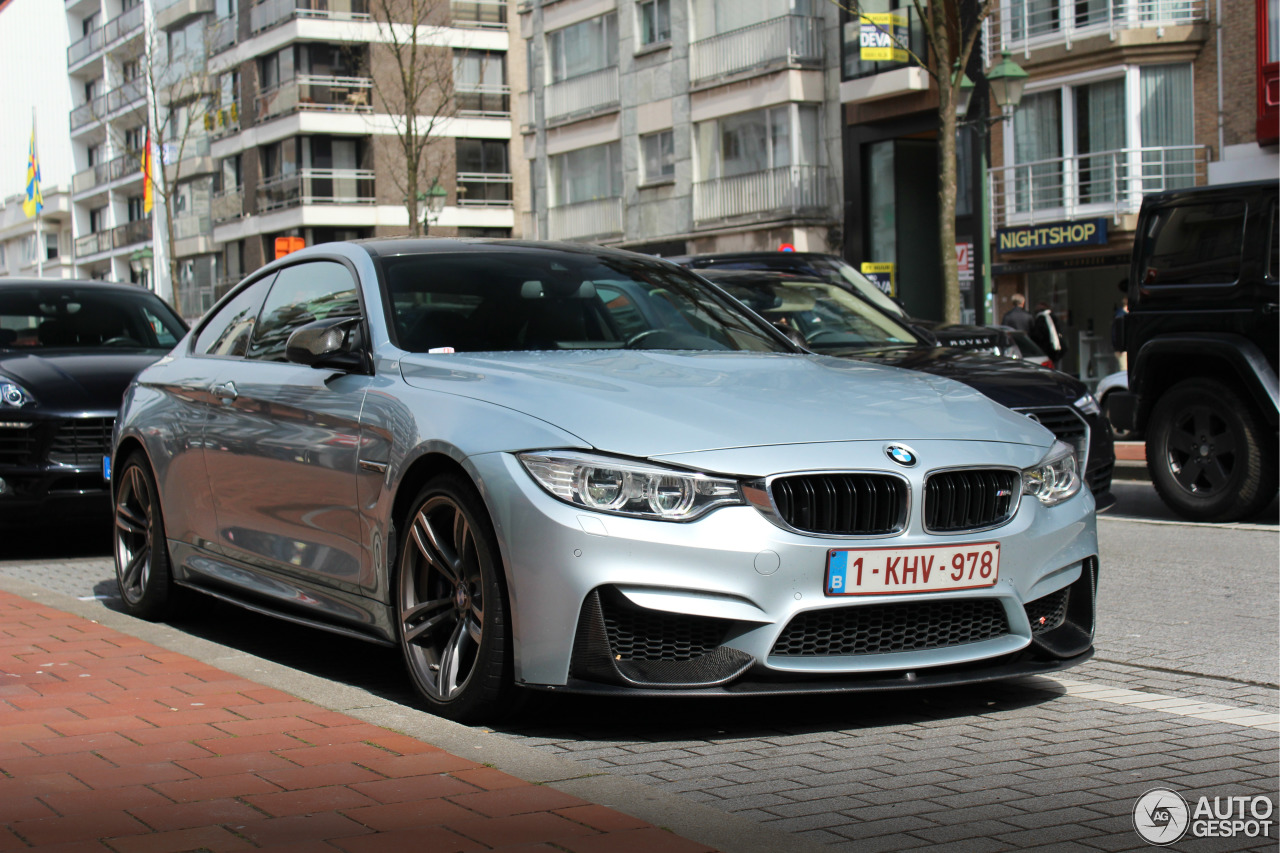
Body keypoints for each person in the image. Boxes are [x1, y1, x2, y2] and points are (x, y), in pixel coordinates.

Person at [1030, 302, 1066, 370]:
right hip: (1056, 347)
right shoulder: (1052, 317)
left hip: (1047, 349)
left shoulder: (1041, 318)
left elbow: (1037, 336)